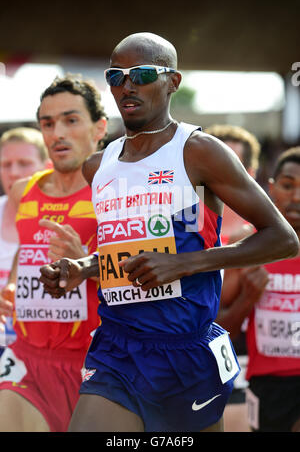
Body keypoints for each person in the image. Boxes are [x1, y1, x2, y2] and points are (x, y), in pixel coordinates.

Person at [39, 32, 299, 433]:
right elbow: (121, 250)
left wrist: (186, 263)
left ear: (172, 81)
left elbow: (282, 238)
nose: (128, 85)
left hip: (186, 351)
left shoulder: (198, 151)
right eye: (116, 76)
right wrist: (82, 268)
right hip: (117, 345)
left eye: (142, 74)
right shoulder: (98, 165)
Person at [0, 74, 107, 432]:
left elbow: (145, 281)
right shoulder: (22, 192)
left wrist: (88, 264)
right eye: (48, 123)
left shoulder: (114, 193)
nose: (57, 132)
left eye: (71, 120)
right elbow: (24, 256)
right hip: (28, 362)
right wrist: (12, 290)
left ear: (99, 127)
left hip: (94, 366)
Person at [204, 124, 263, 432]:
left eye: (232, 165)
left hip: (246, 361)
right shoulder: (185, 231)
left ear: (250, 173)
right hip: (188, 359)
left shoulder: (269, 237)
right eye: (212, 165)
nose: (219, 175)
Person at [243, 146, 300, 432]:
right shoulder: (248, 248)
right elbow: (218, 326)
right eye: (289, 186)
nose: (297, 197)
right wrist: (247, 298)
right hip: (267, 383)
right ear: (272, 188)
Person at [0, 127, 50, 351]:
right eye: (6, 164)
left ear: (47, 167)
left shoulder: (66, 218)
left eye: (24, 163)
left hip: (44, 349)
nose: (13, 172)